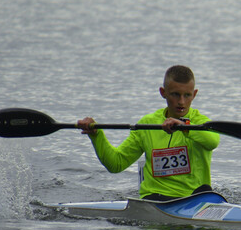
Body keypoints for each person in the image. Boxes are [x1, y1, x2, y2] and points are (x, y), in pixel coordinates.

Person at [77, 65, 220, 200]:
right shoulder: (147, 124)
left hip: (193, 199)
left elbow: (213, 142)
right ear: (163, 93)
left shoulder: (201, 122)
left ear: (194, 94)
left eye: (187, 95)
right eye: (175, 94)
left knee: (205, 190)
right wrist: (96, 135)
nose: (181, 102)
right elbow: (116, 164)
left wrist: (185, 126)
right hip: (154, 198)